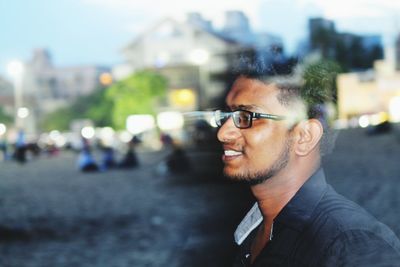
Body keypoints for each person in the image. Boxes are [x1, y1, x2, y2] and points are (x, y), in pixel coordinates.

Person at [213, 59, 400, 266]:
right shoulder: (253, 230)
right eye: (227, 115)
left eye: (246, 116)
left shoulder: (349, 243)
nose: (223, 133)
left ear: (304, 136)